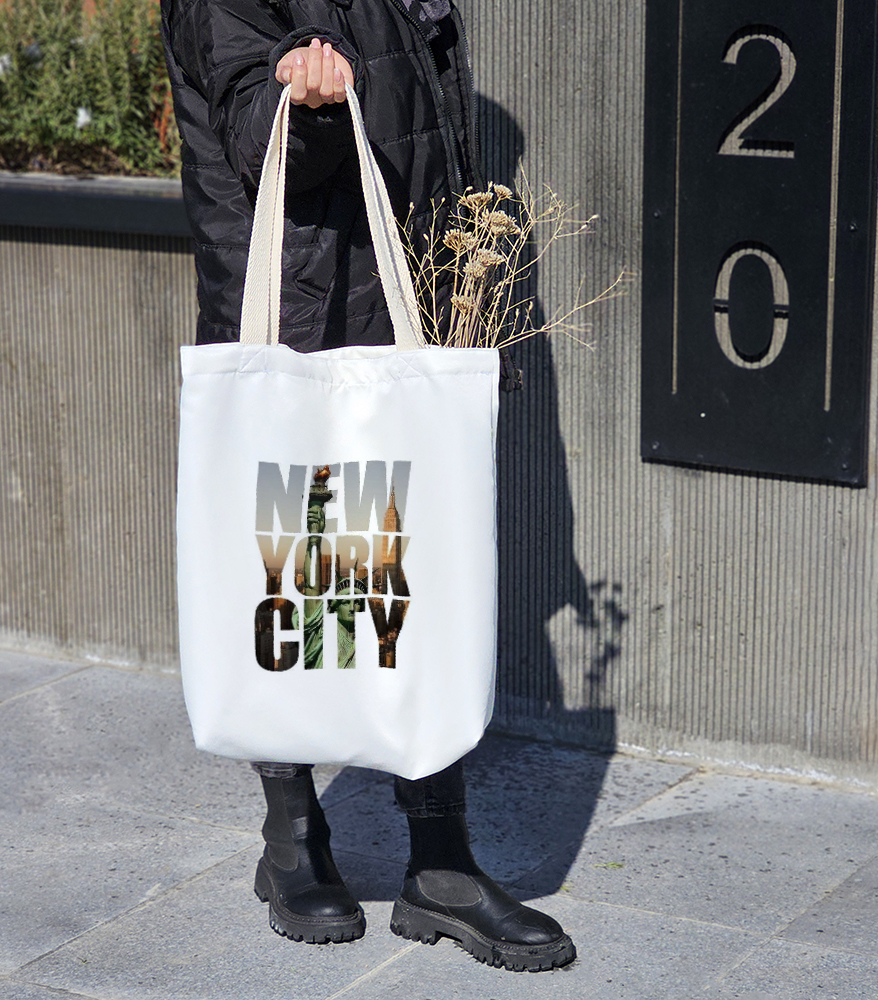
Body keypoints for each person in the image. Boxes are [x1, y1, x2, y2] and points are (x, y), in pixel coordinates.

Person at [159, 0, 575, 973]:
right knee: (309, 586)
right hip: (303, 305)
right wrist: (301, 105)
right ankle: (293, 836)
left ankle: (441, 860)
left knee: (412, 582)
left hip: (399, 304)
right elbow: (254, 134)